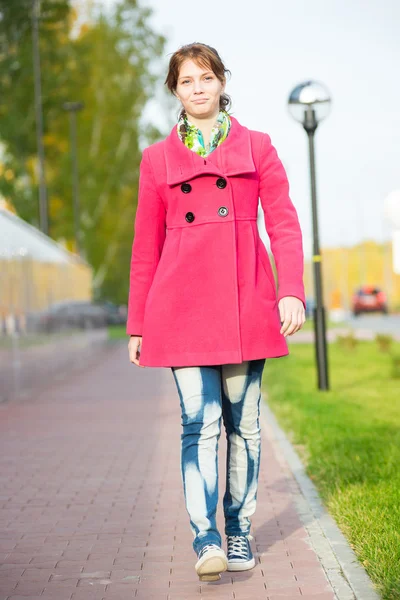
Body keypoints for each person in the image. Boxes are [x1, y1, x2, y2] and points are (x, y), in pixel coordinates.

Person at [127, 42, 306, 582]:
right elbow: (144, 246)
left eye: (206, 77)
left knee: (244, 426)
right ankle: (206, 537)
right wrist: (137, 323)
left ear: (222, 82)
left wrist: (290, 289)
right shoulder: (158, 159)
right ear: (175, 91)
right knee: (199, 423)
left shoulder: (258, 146)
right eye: (186, 81)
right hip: (179, 309)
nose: (198, 88)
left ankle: (239, 531)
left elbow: (283, 221)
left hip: (244, 301)